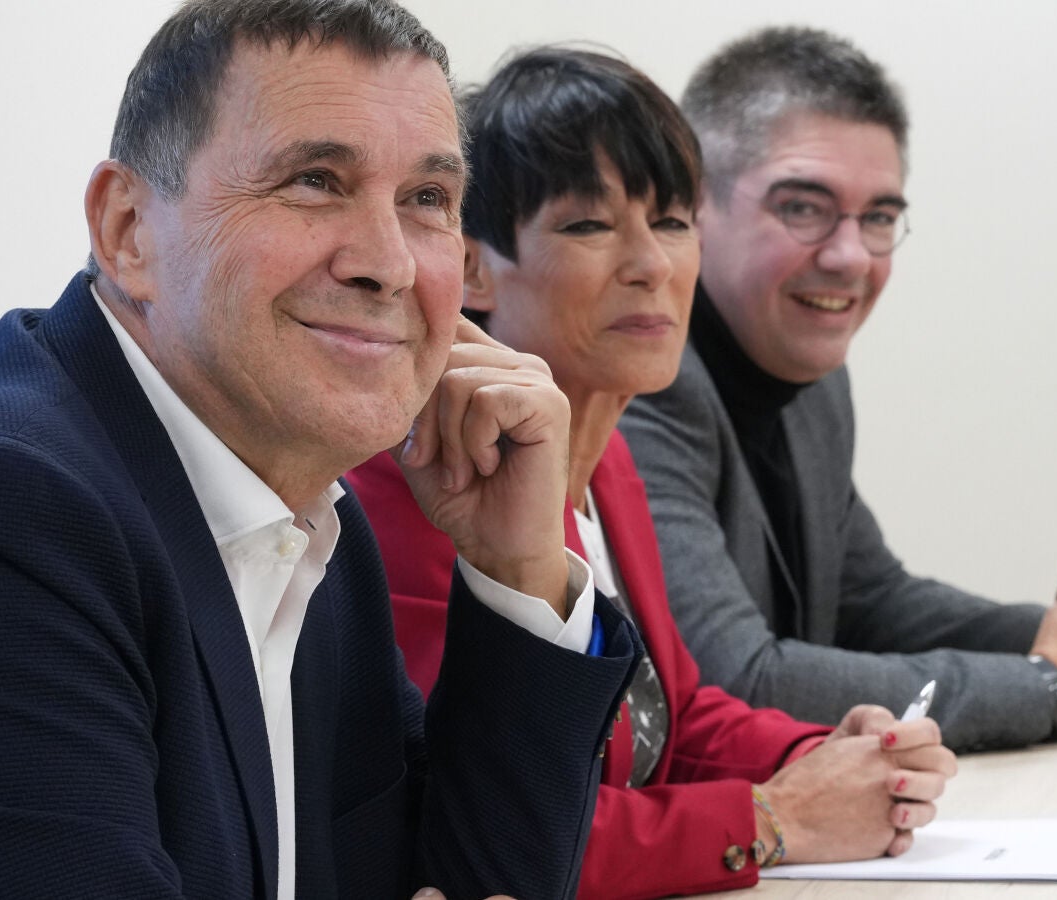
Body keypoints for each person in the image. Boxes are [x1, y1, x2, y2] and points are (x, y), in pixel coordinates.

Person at [0, 3, 643, 898]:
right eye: (315, 181)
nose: (389, 263)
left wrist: (518, 570)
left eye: (427, 200)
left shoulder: (311, 524)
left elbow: (475, 883)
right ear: (127, 230)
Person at [347, 47, 956, 900]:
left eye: (672, 222)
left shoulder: (610, 459)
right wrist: (772, 818)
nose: (652, 266)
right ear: (472, 265)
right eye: (590, 227)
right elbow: (485, 823)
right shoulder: (411, 477)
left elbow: (671, 713)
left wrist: (827, 754)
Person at [618, 25, 1057, 753]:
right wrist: (1056, 685)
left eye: (878, 218)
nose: (850, 256)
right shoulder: (639, 382)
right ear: (693, 208)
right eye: (802, 207)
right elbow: (733, 682)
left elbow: (869, 602)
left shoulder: (808, 373)